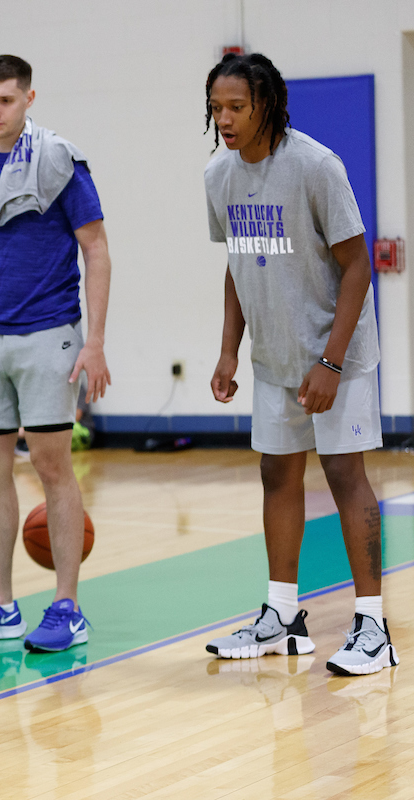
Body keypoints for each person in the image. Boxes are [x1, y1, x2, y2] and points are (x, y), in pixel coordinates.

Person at [203, 53, 399, 676]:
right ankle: (282, 617)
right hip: (274, 358)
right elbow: (236, 266)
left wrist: (331, 362)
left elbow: (358, 266)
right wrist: (229, 349)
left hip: (334, 355)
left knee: (345, 476)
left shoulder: (315, 166)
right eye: (216, 109)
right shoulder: (219, 176)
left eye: (236, 107)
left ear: (267, 104)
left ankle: (373, 625)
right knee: (276, 477)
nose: (225, 120)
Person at [0, 55, 112, 652]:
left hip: (47, 331)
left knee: (52, 467)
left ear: (29, 98)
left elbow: (97, 250)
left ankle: (68, 606)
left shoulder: (60, 160)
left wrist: (95, 342)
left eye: (6, 100)